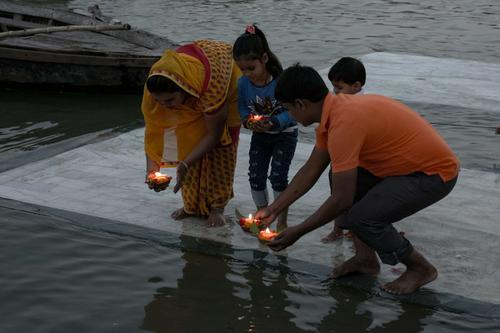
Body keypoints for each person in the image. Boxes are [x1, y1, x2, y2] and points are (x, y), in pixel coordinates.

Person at [256, 64, 460, 294]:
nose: (289, 115)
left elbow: (341, 200)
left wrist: (299, 231)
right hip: (402, 167)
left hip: (433, 173)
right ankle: (365, 259)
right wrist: (274, 209)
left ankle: (420, 268)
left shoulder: (344, 121)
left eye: (288, 109)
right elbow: (311, 169)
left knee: (362, 217)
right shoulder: (333, 113)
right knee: (339, 176)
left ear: (301, 104)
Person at [141, 39, 241, 227]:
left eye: (170, 100)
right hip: (194, 81)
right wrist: (151, 171)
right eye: (159, 101)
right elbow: (154, 131)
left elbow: (213, 136)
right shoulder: (154, 87)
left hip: (225, 88)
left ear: (185, 89)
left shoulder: (213, 90)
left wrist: (185, 164)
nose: (164, 106)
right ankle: (191, 206)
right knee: (186, 143)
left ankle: (217, 207)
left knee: (221, 150)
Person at [232, 24, 298, 230]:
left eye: (251, 68)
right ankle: (262, 215)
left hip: (284, 134)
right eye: (242, 69)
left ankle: (281, 220)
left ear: (264, 59)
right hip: (260, 135)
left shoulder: (281, 81)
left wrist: (276, 122)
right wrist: (247, 120)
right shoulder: (243, 84)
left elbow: (294, 110)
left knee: (278, 177)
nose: (247, 73)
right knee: (255, 176)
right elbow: (242, 106)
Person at [322, 57, 366, 242]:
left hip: (362, 163)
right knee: (337, 194)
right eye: (334, 87)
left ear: (356, 86)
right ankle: (338, 228)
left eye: (340, 87)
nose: (335, 92)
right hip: (340, 159)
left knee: (359, 197)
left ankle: (355, 230)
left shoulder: (363, 104)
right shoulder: (338, 103)